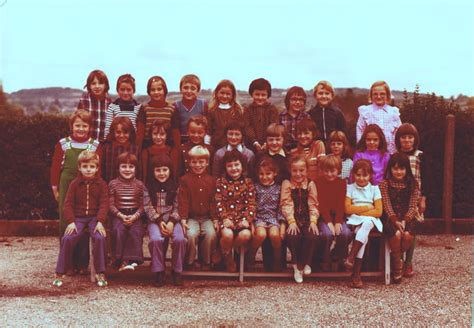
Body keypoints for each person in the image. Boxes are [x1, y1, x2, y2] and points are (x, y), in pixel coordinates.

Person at [50, 110, 100, 273]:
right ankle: (67, 263)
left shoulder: (94, 145)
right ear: (72, 126)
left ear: (89, 127)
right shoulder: (63, 143)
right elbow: (56, 167)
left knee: (85, 219)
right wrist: (55, 187)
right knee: (67, 222)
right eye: (77, 125)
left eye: (84, 126)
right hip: (67, 183)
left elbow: (98, 169)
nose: (80, 129)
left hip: (88, 185)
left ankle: (82, 263)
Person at [52, 151, 108, 287]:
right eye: (85, 166)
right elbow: (68, 204)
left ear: (97, 168)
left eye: (92, 166)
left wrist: (100, 221)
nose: (88, 169)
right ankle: (60, 272)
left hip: (94, 219)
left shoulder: (101, 184)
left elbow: (104, 204)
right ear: (79, 167)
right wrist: (71, 222)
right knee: (67, 238)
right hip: (79, 219)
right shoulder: (74, 184)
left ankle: (100, 272)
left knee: (100, 237)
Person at [144, 154, 187, 286]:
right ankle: (159, 270)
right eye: (158, 170)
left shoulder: (176, 185)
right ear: (152, 172)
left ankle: (177, 270)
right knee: (156, 239)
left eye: (165, 170)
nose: (161, 173)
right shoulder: (147, 186)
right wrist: (158, 221)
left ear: (170, 171)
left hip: (173, 220)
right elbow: (147, 206)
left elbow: (178, 205)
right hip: (155, 220)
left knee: (180, 239)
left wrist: (172, 222)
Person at [380, 153, 420, 283]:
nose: (398, 172)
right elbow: (386, 205)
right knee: (396, 235)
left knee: (408, 235)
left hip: (406, 217)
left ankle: (396, 257)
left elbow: (413, 205)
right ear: (390, 169)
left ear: (407, 169)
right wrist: (395, 220)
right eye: (395, 168)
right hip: (389, 217)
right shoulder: (384, 184)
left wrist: (405, 220)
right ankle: (397, 265)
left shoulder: (413, 184)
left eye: (402, 169)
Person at [395, 123, 427, 277]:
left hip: (415, 197)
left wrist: (423, 199)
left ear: (415, 139)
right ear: (398, 139)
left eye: (410, 137)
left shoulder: (420, 155)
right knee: (400, 229)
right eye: (403, 137)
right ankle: (399, 260)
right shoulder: (395, 155)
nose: (407, 140)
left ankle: (409, 262)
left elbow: (426, 179)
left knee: (411, 229)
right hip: (398, 197)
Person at [344, 159, 383, 288]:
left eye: (365, 175)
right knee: (363, 235)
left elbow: (378, 212)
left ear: (370, 175)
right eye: (358, 175)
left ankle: (351, 258)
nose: (361, 178)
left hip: (371, 220)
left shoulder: (374, 189)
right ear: (353, 174)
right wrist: (367, 208)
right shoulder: (349, 188)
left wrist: (362, 212)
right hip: (355, 220)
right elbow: (347, 209)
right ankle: (355, 274)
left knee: (366, 224)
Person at [215, 150, 256, 272]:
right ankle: (228, 259)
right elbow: (218, 202)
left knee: (246, 235)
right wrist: (224, 218)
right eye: (230, 165)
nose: (234, 168)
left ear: (242, 165)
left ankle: (222, 250)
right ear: (225, 167)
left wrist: (247, 220)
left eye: (236, 164)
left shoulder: (248, 183)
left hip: (242, 218)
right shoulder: (221, 182)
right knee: (227, 235)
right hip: (227, 218)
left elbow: (251, 204)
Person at [281, 155, 319, 283]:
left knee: (312, 234)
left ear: (307, 170)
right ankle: (296, 265)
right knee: (292, 235)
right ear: (290, 170)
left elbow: (313, 204)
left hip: (307, 217)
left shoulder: (310, 184)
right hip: (293, 218)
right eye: (295, 171)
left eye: (301, 170)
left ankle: (304, 263)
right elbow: (286, 203)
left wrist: (313, 220)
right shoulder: (287, 184)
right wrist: (291, 221)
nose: (298, 174)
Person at [178, 145, 217, 270]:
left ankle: (206, 260)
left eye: (201, 162)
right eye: (194, 162)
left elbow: (213, 201)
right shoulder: (184, 180)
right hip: (192, 217)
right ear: (189, 163)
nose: (197, 165)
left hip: (206, 217)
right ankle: (189, 261)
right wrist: (183, 218)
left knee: (211, 234)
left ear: (206, 163)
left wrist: (215, 219)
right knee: (190, 234)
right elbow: (183, 200)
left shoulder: (211, 180)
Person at [108, 152, 147, 271]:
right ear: (118, 168)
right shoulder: (113, 184)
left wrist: (134, 217)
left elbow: (144, 205)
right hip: (118, 214)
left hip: (135, 214)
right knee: (118, 230)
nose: (127, 169)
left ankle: (132, 260)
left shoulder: (140, 185)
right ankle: (118, 259)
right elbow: (110, 204)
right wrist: (121, 216)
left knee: (136, 231)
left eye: (131, 167)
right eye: (123, 166)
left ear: (135, 169)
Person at [248, 157, 285, 272]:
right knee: (260, 235)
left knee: (275, 235)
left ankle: (277, 260)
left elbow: (281, 208)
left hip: (274, 218)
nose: (264, 177)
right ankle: (250, 257)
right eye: (261, 174)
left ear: (275, 173)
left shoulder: (279, 188)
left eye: (268, 174)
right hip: (260, 218)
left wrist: (282, 225)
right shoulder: (255, 187)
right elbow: (252, 205)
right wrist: (252, 223)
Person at [315, 155, 352, 271]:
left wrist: (337, 222)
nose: (329, 174)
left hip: (339, 216)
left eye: (332, 171)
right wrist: (329, 222)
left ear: (338, 170)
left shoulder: (341, 183)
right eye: (326, 171)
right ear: (322, 170)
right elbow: (321, 204)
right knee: (327, 234)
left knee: (345, 233)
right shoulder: (318, 182)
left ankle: (337, 256)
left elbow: (341, 204)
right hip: (323, 217)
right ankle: (324, 258)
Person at [356, 81, 401, 154]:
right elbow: (360, 131)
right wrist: (362, 150)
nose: (379, 96)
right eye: (375, 94)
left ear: (387, 95)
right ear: (371, 96)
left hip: (390, 152)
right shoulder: (366, 111)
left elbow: (399, 132)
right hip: (370, 153)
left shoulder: (393, 112)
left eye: (382, 94)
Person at [136, 76, 181, 149]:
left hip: (167, 147)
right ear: (149, 92)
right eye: (153, 90)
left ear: (164, 90)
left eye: (159, 89)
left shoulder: (172, 109)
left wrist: (177, 152)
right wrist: (138, 152)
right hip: (148, 147)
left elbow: (176, 134)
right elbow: (140, 134)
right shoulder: (144, 109)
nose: (156, 92)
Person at [242, 78, 279, 152]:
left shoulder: (272, 109)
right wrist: (254, 141)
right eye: (257, 94)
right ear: (252, 94)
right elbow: (247, 126)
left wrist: (267, 142)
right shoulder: (247, 109)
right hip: (250, 144)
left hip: (270, 143)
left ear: (268, 95)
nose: (260, 97)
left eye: (263, 95)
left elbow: (274, 125)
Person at [207, 79, 244, 150]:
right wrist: (207, 145)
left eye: (228, 94)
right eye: (222, 93)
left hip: (233, 146)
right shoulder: (212, 110)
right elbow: (208, 130)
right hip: (215, 146)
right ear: (216, 93)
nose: (224, 96)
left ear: (233, 95)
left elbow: (241, 130)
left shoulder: (237, 110)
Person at [104, 74, 142, 141]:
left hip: (132, 144)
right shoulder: (112, 107)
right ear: (117, 90)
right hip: (116, 142)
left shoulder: (138, 108)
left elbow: (139, 130)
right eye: (122, 89)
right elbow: (107, 129)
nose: (125, 93)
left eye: (129, 90)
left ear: (134, 91)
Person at [77, 69, 112, 142]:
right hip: (87, 144)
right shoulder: (84, 100)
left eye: (100, 83)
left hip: (104, 145)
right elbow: (78, 122)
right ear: (89, 85)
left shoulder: (110, 103)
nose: (97, 86)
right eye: (93, 83)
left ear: (105, 85)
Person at [101, 116, 139, 182]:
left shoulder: (135, 149)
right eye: (118, 132)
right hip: (109, 185)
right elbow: (102, 169)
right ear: (113, 132)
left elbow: (138, 171)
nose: (121, 135)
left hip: (131, 187)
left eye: (125, 132)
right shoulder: (106, 148)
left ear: (130, 133)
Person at [141, 120, 179, 184]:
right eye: (155, 134)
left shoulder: (172, 151)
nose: (158, 137)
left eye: (162, 134)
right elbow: (144, 175)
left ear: (167, 135)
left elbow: (174, 174)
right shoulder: (146, 152)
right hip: (151, 187)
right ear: (151, 134)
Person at [174, 74, 208, 143]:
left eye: (193, 88)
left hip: (199, 140)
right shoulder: (176, 106)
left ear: (198, 91)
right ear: (180, 89)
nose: (189, 91)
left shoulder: (203, 104)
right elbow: (175, 129)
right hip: (182, 141)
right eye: (186, 88)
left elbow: (207, 126)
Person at [279, 86, 310, 150]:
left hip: (302, 149)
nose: (298, 102)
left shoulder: (307, 117)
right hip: (284, 150)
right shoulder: (280, 116)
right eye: (294, 99)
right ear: (288, 101)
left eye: (301, 100)